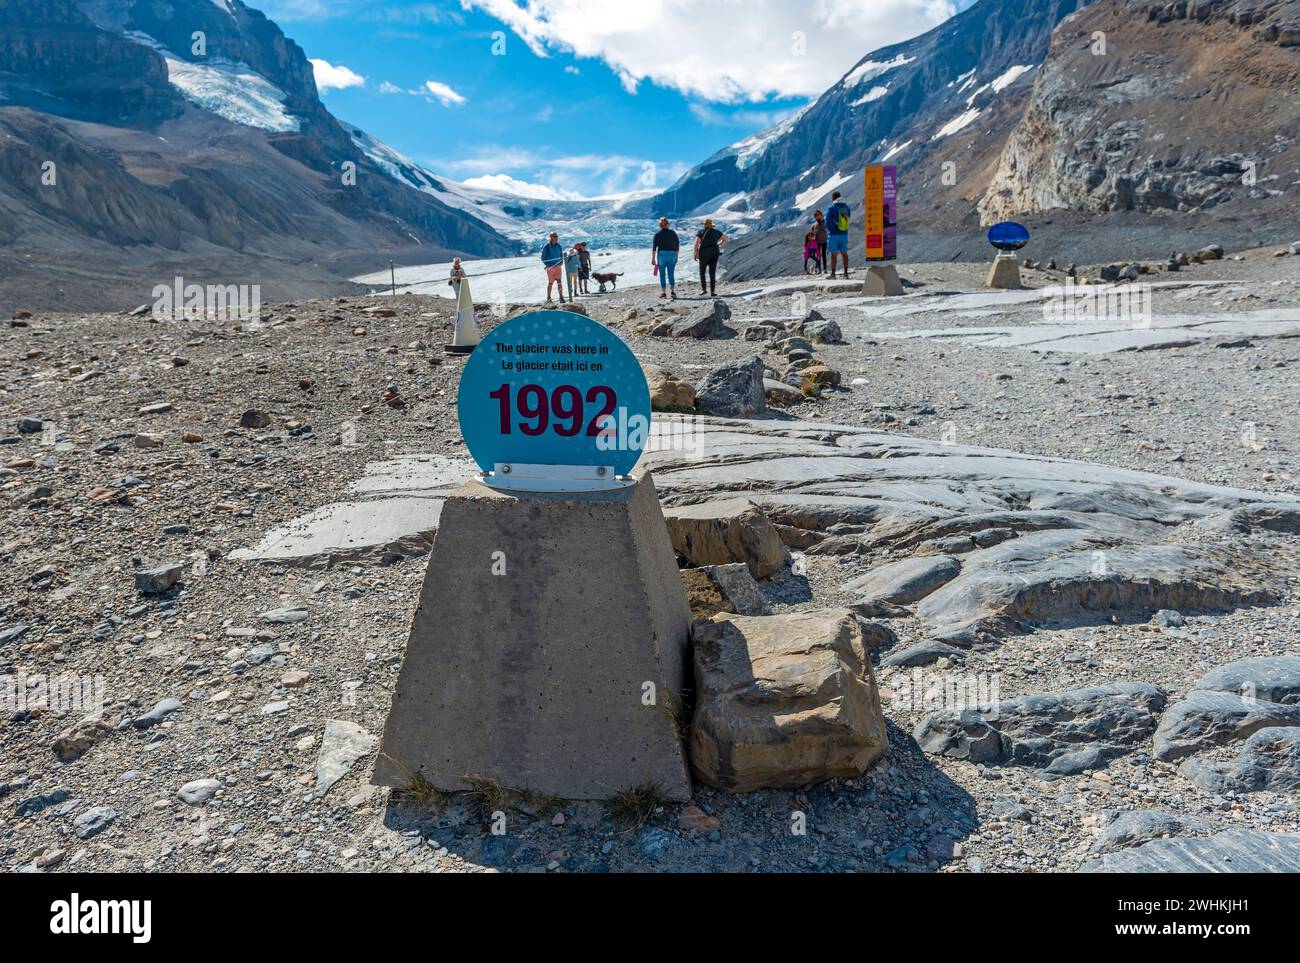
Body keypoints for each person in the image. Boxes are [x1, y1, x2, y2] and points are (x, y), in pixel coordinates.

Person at [693, 218, 727, 297]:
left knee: (702, 272)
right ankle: (712, 291)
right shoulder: (717, 232)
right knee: (712, 272)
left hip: (704, 253)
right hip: (715, 253)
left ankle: (704, 290)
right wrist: (719, 245)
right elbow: (725, 239)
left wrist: (695, 253)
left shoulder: (701, 232)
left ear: (704, 225)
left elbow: (696, 243)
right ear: (711, 225)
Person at [651, 217, 680, 299]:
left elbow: (654, 248)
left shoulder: (657, 234)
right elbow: (677, 246)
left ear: (660, 225)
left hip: (661, 255)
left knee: (662, 274)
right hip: (672, 254)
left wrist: (653, 259)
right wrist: (676, 257)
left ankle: (663, 293)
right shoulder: (673, 233)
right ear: (667, 224)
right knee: (671, 273)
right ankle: (672, 292)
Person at [825, 191, 851, 279]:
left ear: (833, 198)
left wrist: (830, 229)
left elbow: (827, 221)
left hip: (833, 234)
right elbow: (849, 217)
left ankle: (833, 274)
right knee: (844, 253)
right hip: (844, 233)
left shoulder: (831, 208)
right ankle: (846, 273)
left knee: (834, 254)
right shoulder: (846, 207)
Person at [541, 231, 566, 303]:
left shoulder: (559, 246)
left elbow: (561, 256)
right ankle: (548, 297)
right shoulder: (547, 247)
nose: (556, 238)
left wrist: (561, 262)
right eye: (555, 236)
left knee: (559, 281)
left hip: (558, 267)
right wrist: (548, 265)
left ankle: (561, 297)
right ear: (551, 237)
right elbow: (543, 257)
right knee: (550, 283)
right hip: (550, 268)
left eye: (557, 236)